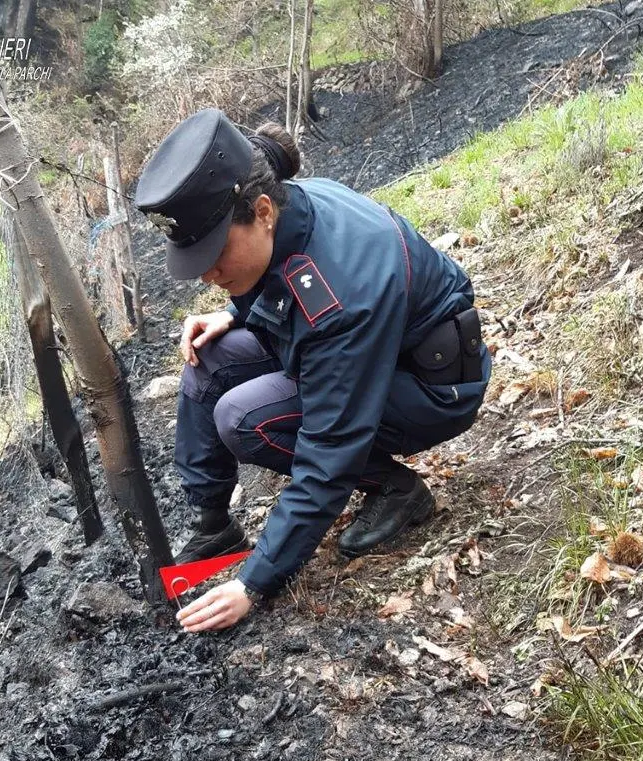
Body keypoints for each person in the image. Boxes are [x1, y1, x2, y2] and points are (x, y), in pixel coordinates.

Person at [135, 108, 491, 633]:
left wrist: (254, 581)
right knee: (208, 358)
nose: (208, 273)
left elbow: (329, 448)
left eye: (215, 254)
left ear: (261, 212)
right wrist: (232, 312)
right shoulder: (283, 207)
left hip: (430, 384)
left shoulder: (341, 296)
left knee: (243, 418)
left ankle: (397, 490)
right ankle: (214, 524)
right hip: (369, 351)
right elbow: (283, 280)